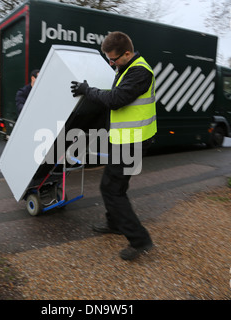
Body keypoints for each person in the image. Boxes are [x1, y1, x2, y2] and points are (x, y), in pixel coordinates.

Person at [70, 31, 157, 261]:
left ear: (127, 53)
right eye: (108, 59)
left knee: (111, 189)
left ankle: (140, 240)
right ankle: (115, 223)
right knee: (117, 187)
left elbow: (115, 100)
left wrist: (87, 90)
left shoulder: (140, 72)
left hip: (132, 141)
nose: (111, 63)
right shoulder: (127, 68)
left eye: (113, 59)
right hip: (126, 139)